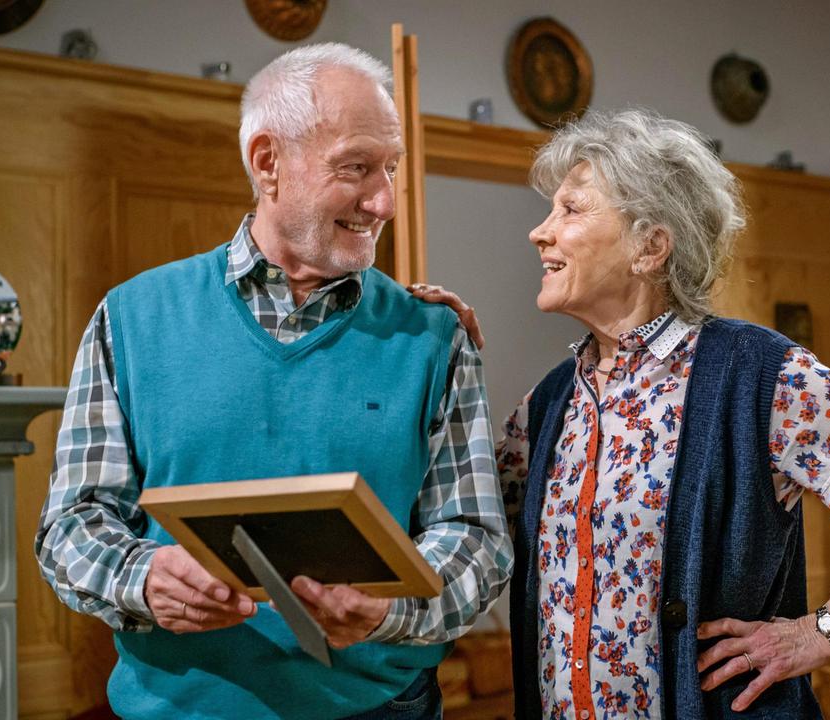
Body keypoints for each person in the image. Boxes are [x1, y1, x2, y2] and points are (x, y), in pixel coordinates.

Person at [410, 108, 830, 718]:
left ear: (650, 246)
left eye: (571, 210)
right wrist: (425, 356)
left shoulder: (755, 372)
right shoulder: (553, 400)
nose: (540, 232)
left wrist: (825, 632)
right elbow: (460, 524)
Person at [34, 43, 512, 720]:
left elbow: (477, 538)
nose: (384, 201)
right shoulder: (129, 319)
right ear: (268, 163)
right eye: (357, 168)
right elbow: (72, 525)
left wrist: (394, 611)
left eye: (392, 170)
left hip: (379, 709)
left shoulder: (435, 336)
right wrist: (139, 577)